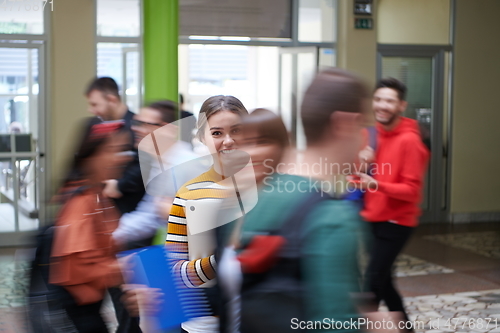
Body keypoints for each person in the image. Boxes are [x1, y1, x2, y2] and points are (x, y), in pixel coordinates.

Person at [220, 68, 370, 333]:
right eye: (362, 127)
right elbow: (335, 324)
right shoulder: (333, 217)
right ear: (344, 124)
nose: (365, 144)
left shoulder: (264, 197)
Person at [165, 95, 249, 333]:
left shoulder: (267, 187)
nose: (228, 140)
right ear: (202, 137)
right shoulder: (188, 194)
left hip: (257, 316)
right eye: (217, 133)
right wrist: (220, 261)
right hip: (205, 323)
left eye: (237, 130)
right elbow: (175, 270)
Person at [355, 77, 430, 329]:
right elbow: (356, 177)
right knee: (384, 282)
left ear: (401, 106)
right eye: (378, 99)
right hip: (372, 217)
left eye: (389, 100)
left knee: (373, 283)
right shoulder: (371, 134)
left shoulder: (410, 141)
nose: (382, 105)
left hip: (396, 222)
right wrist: (361, 165)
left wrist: (375, 184)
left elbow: (411, 191)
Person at [50, 121, 129, 333]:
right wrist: (123, 269)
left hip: (88, 304)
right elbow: (78, 269)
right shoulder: (82, 201)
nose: (120, 158)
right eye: (112, 150)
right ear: (91, 155)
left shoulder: (97, 194)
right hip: (77, 308)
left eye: (122, 150)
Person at [112, 100, 207, 248]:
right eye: (137, 124)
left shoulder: (188, 165)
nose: (138, 130)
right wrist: (108, 234)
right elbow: (149, 215)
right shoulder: (160, 164)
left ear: (169, 129)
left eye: (146, 125)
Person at [85, 76, 145, 214]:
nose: (91, 110)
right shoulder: (102, 126)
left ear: (111, 100)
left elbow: (144, 165)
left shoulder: (137, 127)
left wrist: (119, 184)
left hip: (131, 210)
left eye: (95, 104)